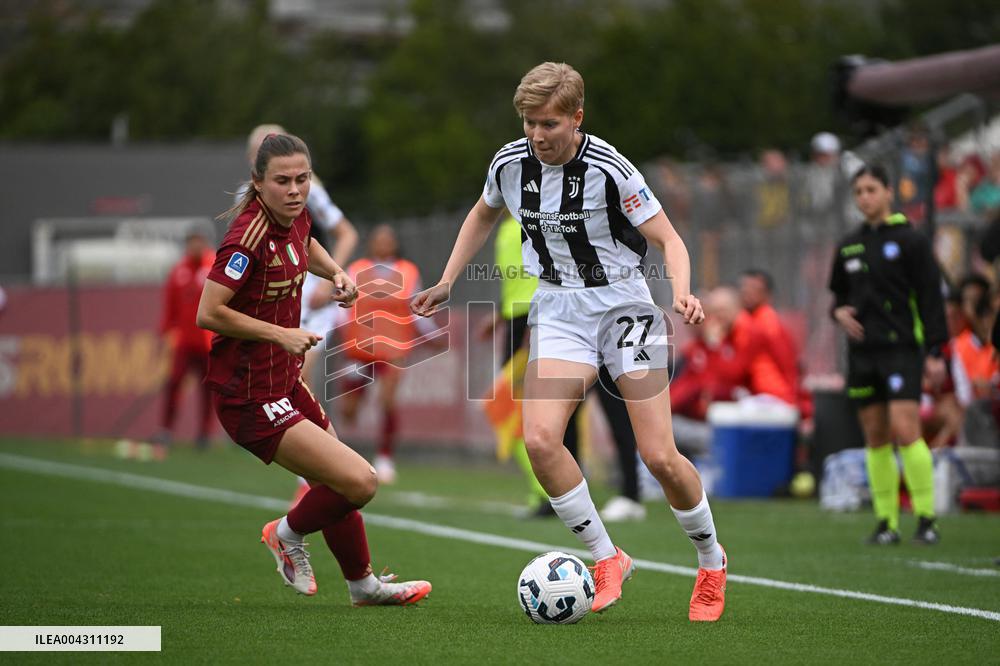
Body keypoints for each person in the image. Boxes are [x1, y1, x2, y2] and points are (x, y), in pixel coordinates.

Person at [411, 62, 726, 621]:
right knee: (539, 441)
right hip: (558, 309)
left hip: (625, 307)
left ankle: (710, 562)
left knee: (659, 455)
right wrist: (447, 279)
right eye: (529, 123)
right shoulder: (510, 164)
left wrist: (682, 291)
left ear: (577, 118)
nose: (537, 135)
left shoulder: (612, 170)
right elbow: (481, 215)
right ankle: (607, 558)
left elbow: (669, 239)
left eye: (549, 123)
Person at [198, 132, 430, 605]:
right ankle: (285, 533)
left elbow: (308, 243)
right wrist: (279, 334)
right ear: (258, 183)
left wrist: (337, 274)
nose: (295, 189)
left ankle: (363, 585)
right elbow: (209, 312)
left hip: (283, 380)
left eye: (302, 179)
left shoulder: (295, 216)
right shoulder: (247, 238)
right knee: (360, 481)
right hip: (249, 395)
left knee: (337, 480)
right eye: (282, 180)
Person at [828, 164, 948, 546]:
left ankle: (926, 518)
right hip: (863, 353)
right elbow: (839, 297)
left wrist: (935, 350)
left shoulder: (911, 240)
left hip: (901, 349)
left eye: (871, 190)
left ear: (888, 192)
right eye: (858, 192)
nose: (865, 198)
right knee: (876, 437)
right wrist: (838, 313)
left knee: (906, 429)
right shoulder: (849, 244)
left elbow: (931, 298)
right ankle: (886, 522)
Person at [242, 124, 359, 506]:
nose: (293, 186)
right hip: (277, 306)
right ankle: (313, 474)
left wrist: (333, 275)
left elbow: (345, 233)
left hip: (308, 300)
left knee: (299, 380)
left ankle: (309, 478)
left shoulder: (307, 190)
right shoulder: (254, 207)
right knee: (287, 384)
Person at [335, 224, 438, 483]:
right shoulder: (356, 270)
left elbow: (417, 307)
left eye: (387, 239)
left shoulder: (408, 271)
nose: (383, 244)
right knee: (348, 409)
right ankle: (338, 453)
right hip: (359, 347)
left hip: (394, 347)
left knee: (388, 401)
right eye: (378, 239)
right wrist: (337, 332)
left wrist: (434, 335)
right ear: (371, 244)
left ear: (394, 244)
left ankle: (384, 457)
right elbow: (341, 307)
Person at [151, 231, 216, 458]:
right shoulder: (179, 271)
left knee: (209, 389)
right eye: (191, 244)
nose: (195, 249)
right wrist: (165, 332)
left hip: (209, 341)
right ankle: (166, 430)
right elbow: (170, 307)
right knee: (175, 381)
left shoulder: (215, 265)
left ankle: (205, 434)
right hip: (185, 342)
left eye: (198, 243)